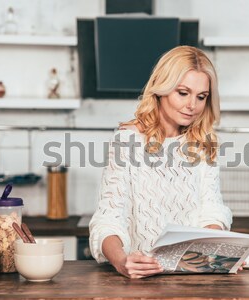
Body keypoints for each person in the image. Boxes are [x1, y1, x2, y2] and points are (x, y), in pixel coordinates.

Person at [89, 45, 232, 279]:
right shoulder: (127, 141)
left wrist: (215, 254)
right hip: (141, 278)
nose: (192, 106)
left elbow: (211, 211)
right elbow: (109, 218)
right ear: (161, 89)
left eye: (201, 97)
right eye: (183, 93)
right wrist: (122, 261)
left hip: (193, 280)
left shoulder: (202, 143)